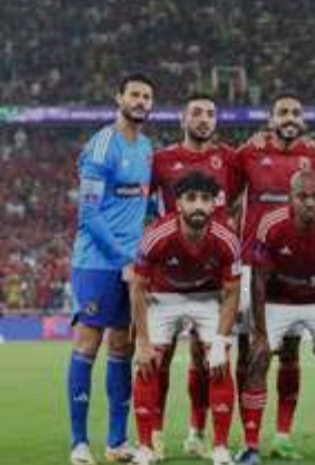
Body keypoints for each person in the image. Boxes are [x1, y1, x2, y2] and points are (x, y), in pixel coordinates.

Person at [236, 170, 315, 465]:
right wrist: (261, 334)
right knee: (257, 360)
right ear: (290, 197)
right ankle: (251, 448)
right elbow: (259, 280)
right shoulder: (271, 224)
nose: (310, 202)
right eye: (302, 197)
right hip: (278, 300)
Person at [233, 91, 315, 460]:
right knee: (250, 354)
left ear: (303, 119)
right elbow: (221, 189)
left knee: (290, 352)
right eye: (282, 112)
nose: (289, 117)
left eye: (295, 112)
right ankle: (249, 438)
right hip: (252, 264)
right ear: (271, 119)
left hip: (296, 267)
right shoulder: (249, 153)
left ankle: (283, 435)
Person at [67, 72, 154, 465]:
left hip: (130, 267)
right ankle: (79, 443)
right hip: (97, 264)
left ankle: (117, 442)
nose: (140, 101)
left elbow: (143, 204)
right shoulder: (102, 146)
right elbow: (89, 214)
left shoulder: (147, 148)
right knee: (88, 344)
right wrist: (123, 259)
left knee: (122, 347)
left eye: (146, 97)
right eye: (134, 94)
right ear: (119, 98)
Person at [149, 93, 239, 458]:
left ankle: (196, 433)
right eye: (197, 113)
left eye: (210, 114)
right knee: (159, 359)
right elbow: (140, 206)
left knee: (210, 360)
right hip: (166, 278)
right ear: (182, 119)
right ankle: (154, 435)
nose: (204, 119)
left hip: (213, 279)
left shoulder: (230, 159)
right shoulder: (161, 160)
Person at [131, 171, 241, 465]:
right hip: (163, 297)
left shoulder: (226, 239)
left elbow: (232, 293)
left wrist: (220, 341)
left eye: (205, 199)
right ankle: (145, 447)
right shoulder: (157, 236)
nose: (198, 205)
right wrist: (142, 342)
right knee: (147, 363)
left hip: (207, 298)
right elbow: (137, 288)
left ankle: (220, 448)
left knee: (219, 362)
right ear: (178, 204)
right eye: (191, 199)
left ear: (214, 205)